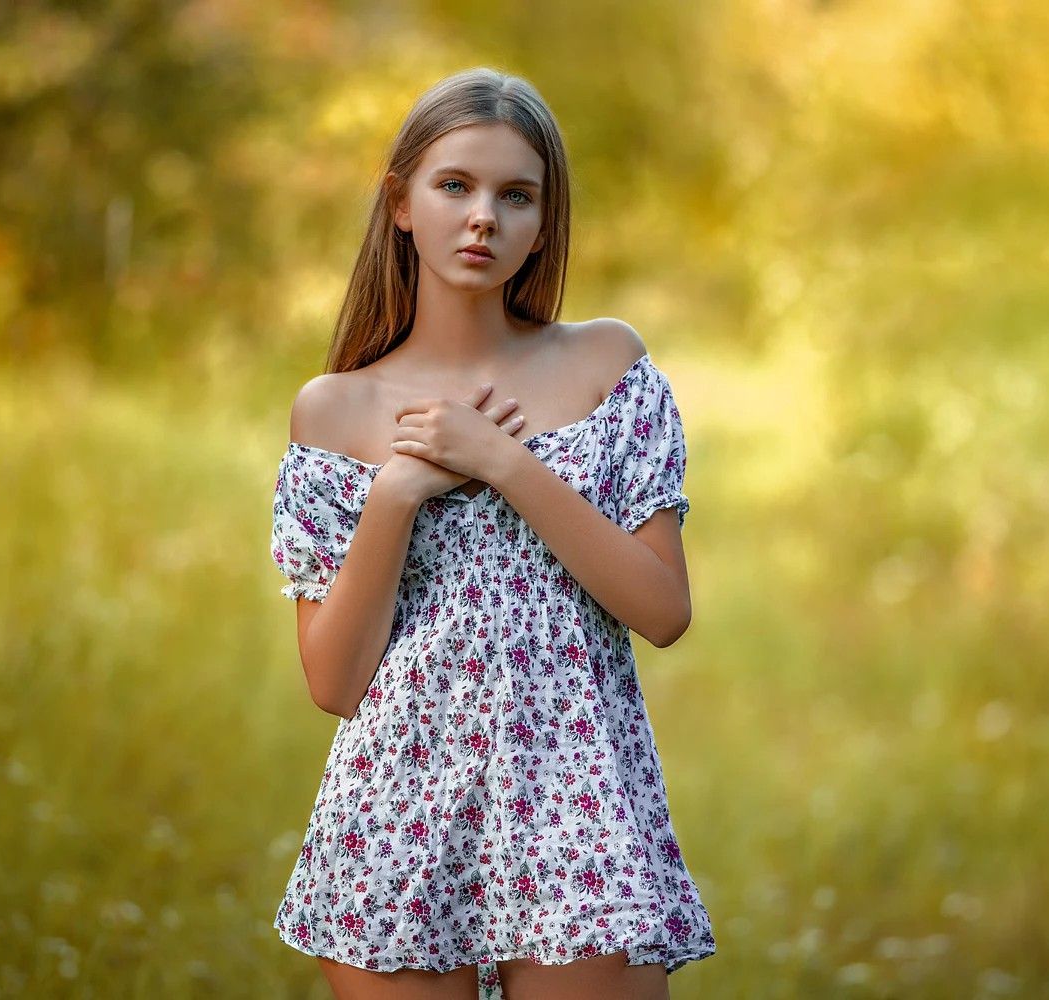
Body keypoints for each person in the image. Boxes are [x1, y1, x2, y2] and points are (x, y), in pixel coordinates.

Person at [269, 67, 715, 1000]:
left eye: (517, 196)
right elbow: (335, 681)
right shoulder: (334, 410)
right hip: (395, 816)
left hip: (578, 808)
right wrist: (396, 495)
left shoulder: (606, 365)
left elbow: (662, 609)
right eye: (455, 186)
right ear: (400, 203)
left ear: (544, 223)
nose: (484, 218)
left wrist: (507, 463)